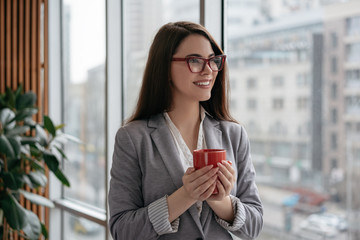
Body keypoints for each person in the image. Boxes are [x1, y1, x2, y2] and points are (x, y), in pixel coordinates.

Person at [108, 21, 263, 240]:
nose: (209, 70)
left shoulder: (234, 134)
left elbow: (254, 226)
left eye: (213, 61)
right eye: (195, 61)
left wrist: (221, 201)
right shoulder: (133, 138)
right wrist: (185, 196)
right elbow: (122, 230)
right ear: (165, 68)